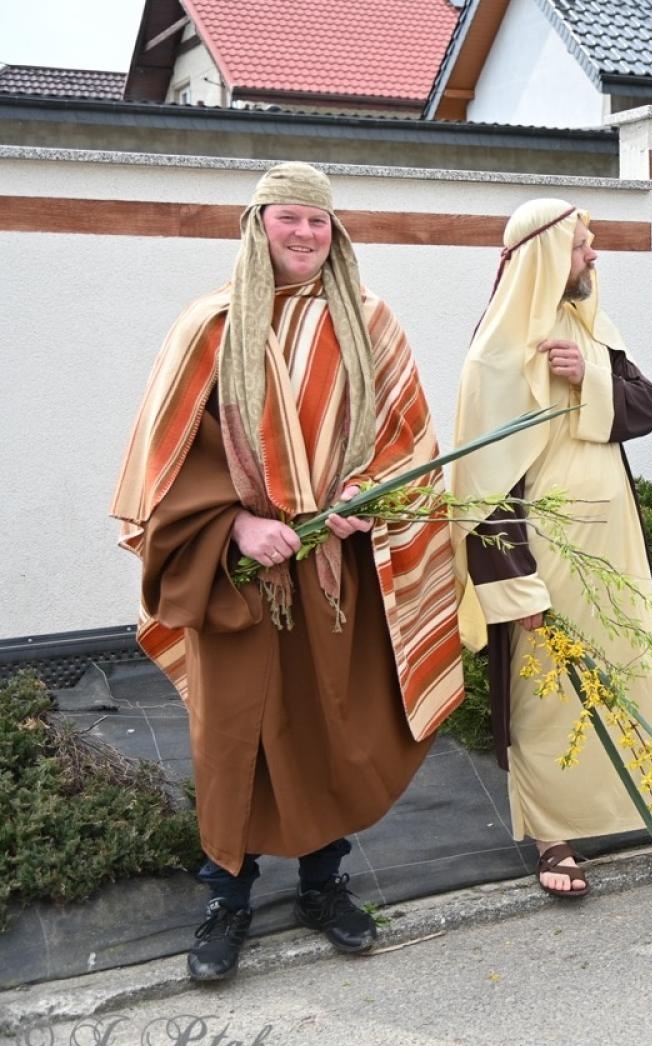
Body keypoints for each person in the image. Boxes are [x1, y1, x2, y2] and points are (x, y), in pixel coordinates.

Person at [110, 163, 464, 982]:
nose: (305, 234)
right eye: (288, 218)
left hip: (331, 572)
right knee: (232, 737)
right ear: (257, 223)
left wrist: (362, 501)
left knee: (324, 725)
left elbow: (408, 441)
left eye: (318, 221)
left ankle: (322, 882)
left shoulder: (371, 323)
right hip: (236, 574)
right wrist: (238, 522)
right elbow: (163, 463)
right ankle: (225, 899)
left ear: (335, 230)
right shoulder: (212, 324)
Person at [451, 198, 652, 900]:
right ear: (548, 256)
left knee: (646, 680)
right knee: (549, 702)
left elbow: (646, 407)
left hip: (618, 553)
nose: (592, 256)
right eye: (582, 245)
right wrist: (516, 589)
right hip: (547, 563)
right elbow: (482, 492)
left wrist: (591, 375)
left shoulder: (591, 331)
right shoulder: (494, 358)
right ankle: (555, 836)